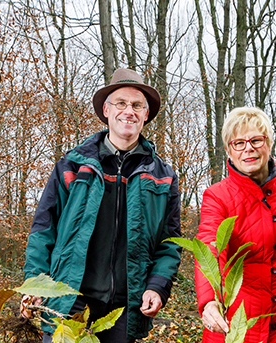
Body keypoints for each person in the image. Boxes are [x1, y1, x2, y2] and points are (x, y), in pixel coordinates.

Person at [21, 68, 182, 343]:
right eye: (121, 103)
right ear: (107, 110)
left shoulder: (163, 176)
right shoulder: (72, 165)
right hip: (68, 301)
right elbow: (43, 229)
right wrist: (35, 283)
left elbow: (170, 243)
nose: (128, 111)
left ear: (146, 115)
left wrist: (157, 287)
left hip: (125, 310)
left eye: (137, 105)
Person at [196, 107, 276, 342]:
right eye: (239, 143)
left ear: (268, 143)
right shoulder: (217, 197)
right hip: (237, 321)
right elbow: (210, 247)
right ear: (228, 150)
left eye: (256, 140)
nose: (249, 148)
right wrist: (209, 301)